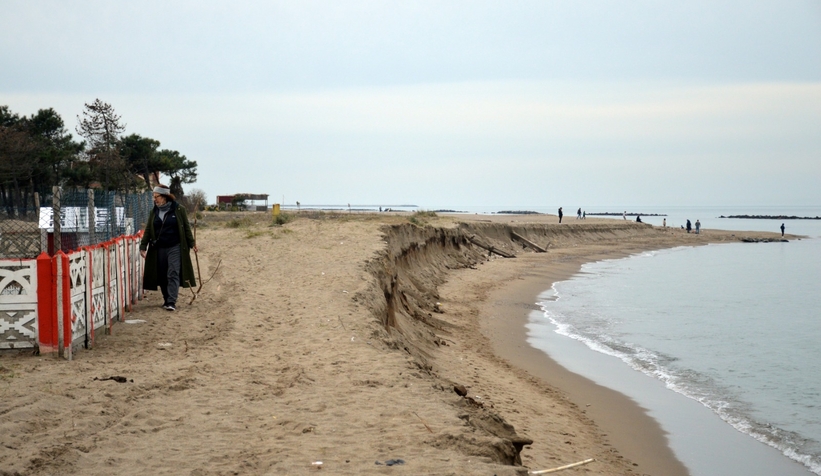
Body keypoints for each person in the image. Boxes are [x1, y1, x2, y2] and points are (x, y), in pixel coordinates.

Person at [140, 185, 198, 311]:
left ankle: (172, 301)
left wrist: (192, 244)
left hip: (175, 246)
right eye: (154, 197)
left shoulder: (178, 209)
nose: (155, 199)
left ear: (165, 197)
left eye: (157, 197)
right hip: (158, 248)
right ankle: (166, 299)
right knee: (161, 275)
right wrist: (143, 245)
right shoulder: (154, 211)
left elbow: (186, 228)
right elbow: (149, 229)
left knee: (173, 272)